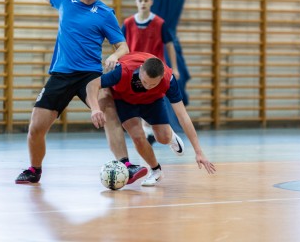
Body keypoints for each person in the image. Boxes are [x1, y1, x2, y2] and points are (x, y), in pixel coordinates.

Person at [5, 0, 147, 184]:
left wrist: (113, 55)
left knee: (109, 110)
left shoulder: (104, 13)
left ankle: (125, 164)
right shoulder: (65, 1)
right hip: (61, 74)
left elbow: (123, 47)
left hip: (90, 76)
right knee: (36, 126)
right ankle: (35, 170)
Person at [86, 52, 216, 186]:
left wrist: (198, 152)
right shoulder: (122, 71)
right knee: (137, 136)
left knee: (162, 138)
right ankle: (156, 171)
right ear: (141, 70)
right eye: (145, 82)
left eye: (153, 84)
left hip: (152, 101)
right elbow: (92, 85)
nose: (147, 86)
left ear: (161, 77)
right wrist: (95, 108)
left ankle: (170, 136)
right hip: (125, 99)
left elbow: (183, 116)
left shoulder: (168, 80)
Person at [122, 0, 181, 144]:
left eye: (146, 0)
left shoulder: (159, 23)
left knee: (152, 101)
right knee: (136, 101)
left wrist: (174, 67)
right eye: (140, 0)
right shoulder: (128, 23)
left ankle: (158, 131)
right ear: (136, 2)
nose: (143, 3)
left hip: (154, 71)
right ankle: (149, 131)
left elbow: (169, 44)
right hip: (134, 70)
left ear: (151, 2)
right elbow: (120, 45)